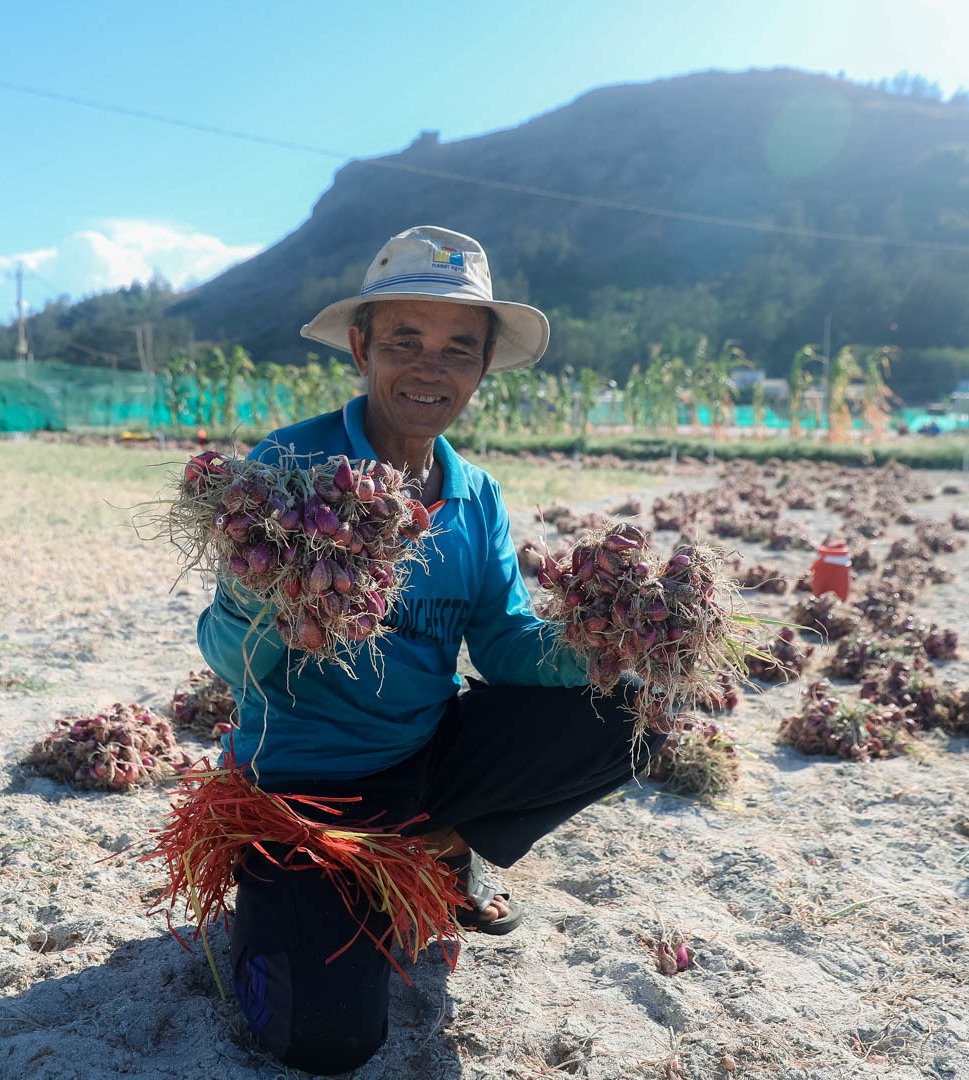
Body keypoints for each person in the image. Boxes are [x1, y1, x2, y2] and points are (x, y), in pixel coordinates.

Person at [196, 225, 660, 1075]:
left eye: (457, 349)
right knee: (325, 1041)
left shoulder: (476, 495)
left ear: (483, 369)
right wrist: (262, 605)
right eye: (405, 341)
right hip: (300, 784)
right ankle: (291, 898)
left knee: (634, 709)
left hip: (424, 760)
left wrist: (600, 645)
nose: (430, 368)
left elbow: (507, 643)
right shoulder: (291, 469)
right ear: (363, 350)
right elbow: (225, 659)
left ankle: (443, 848)